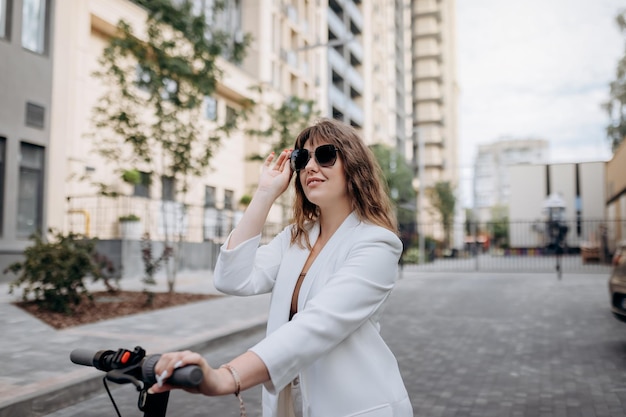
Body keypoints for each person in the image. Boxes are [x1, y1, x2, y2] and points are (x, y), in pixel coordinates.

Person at [149, 118, 413, 417]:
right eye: (302, 159)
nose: (311, 166)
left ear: (353, 165)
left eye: (325, 155)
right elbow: (232, 279)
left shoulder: (377, 243)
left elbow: (317, 324)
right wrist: (265, 193)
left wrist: (228, 376)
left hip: (358, 406)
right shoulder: (294, 237)